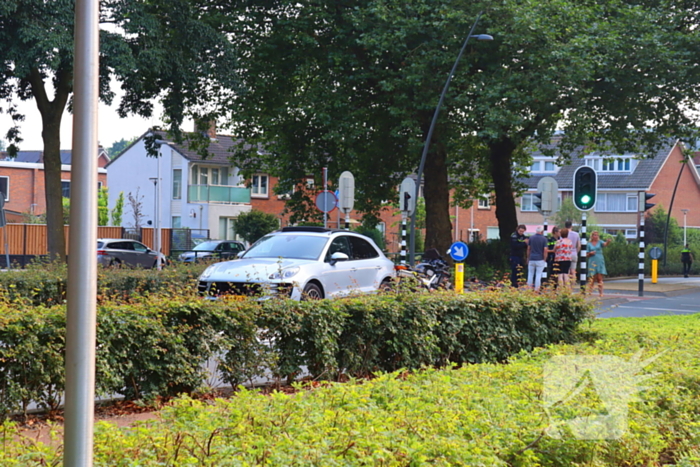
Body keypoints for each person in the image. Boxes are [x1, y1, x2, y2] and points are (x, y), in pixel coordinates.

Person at [586, 231, 612, 297]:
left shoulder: (600, 242)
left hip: (599, 260)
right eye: (594, 235)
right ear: (592, 236)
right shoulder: (589, 244)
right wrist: (590, 253)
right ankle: (590, 292)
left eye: (597, 235)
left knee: (599, 277)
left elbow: (605, 244)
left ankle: (601, 293)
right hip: (592, 260)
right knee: (592, 277)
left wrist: (608, 241)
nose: (595, 236)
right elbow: (586, 254)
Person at [526, 226, 548, 291]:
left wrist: (528, 257)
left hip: (532, 258)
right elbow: (545, 250)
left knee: (530, 274)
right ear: (542, 232)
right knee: (538, 274)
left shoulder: (531, 238)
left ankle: (529, 289)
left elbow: (528, 249)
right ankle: (537, 289)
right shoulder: (544, 239)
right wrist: (544, 258)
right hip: (540, 259)